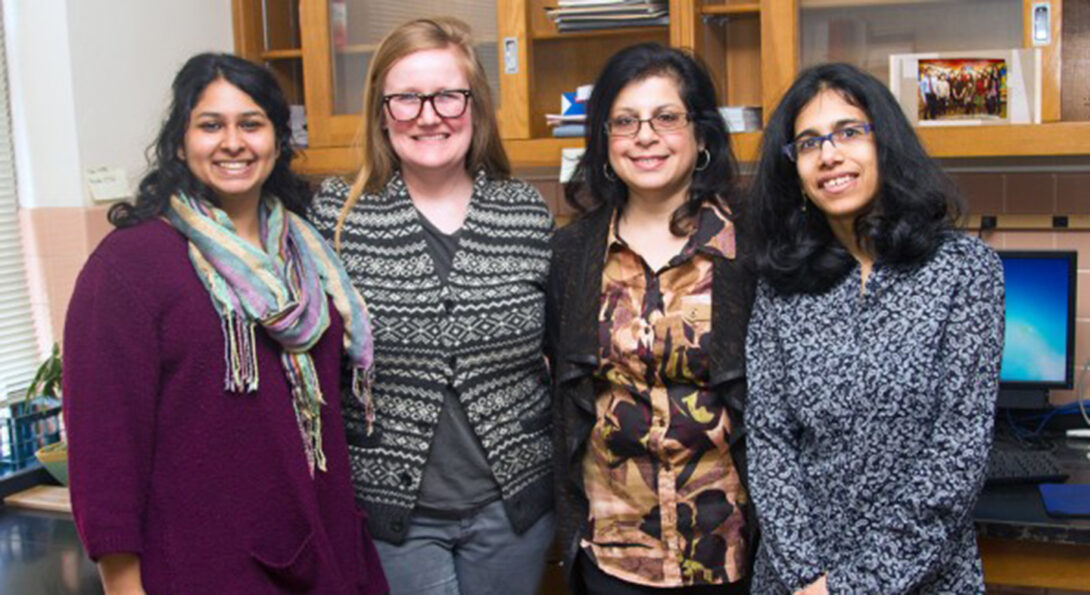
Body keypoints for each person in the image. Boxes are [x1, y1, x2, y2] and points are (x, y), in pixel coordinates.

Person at [62, 53, 388, 594]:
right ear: (180, 142)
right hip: (201, 567)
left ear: (278, 141)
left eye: (251, 124)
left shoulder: (307, 255)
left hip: (321, 555)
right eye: (211, 125)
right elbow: (104, 450)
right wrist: (122, 588)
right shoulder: (129, 266)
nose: (232, 142)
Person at [309, 17, 555, 595]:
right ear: (381, 110)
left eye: (448, 95)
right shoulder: (337, 218)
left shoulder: (525, 214)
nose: (428, 114)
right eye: (407, 98)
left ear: (475, 105)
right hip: (392, 515)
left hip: (514, 508)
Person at [745, 62, 1004, 594]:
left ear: (884, 142)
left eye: (848, 132)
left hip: (925, 577)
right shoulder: (784, 282)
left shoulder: (964, 271)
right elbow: (768, 439)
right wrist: (806, 577)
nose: (830, 155)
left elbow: (958, 450)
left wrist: (854, 587)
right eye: (809, 143)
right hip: (797, 581)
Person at [547, 43, 756, 595]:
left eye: (666, 117)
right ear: (603, 140)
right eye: (625, 121)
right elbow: (566, 400)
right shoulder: (572, 253)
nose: (645, 136)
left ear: (702, 134)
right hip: (613, 553)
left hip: (729, 550)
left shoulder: (753, 245)